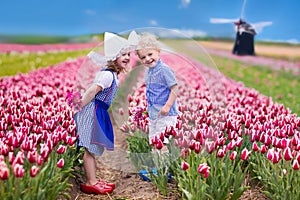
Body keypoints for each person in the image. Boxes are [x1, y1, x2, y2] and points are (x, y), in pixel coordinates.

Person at [74, 32, 132, 195]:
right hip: (92, 110)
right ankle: (90, 182)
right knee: (89, 148)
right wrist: (79, 106)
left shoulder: (113, 74)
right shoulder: (107, 75)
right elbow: (93, 90)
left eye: (128, 54)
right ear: (114, 57)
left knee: (93, 148)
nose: (127, 57)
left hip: (98, 111)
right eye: (123, 54)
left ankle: (94, 178)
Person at [131, 31, 179, 151]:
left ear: (158, 51)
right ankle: (156, 168)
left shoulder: (164, 70)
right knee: (153, 141)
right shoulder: (149, 71)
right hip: (154, 113)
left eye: (150, 54)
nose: (147, 59)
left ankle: (163, 169)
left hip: (166, 114)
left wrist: (167, 106)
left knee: (162, 142)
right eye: (143, 57)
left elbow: (174, 88)